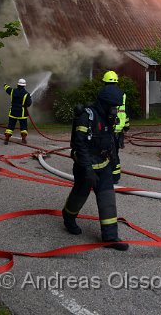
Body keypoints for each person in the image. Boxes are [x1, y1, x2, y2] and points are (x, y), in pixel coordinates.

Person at [62, 83, 129, 251]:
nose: (115, 110)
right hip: (86, 167)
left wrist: (114, 167)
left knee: (108, 199)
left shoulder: (109, 117)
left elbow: (110, 144)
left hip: (104, 165)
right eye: (113, 106)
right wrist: (88, 170)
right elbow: (80, 145)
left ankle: (110, 237)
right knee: (80, 195)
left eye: (116, 106)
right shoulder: (87, 117)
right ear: (104, 103)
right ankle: (68, 217)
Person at [100, 71, 129, 183]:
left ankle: (114, 177)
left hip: (109, 129)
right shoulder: (122, 94)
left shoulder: (104, 94)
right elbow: (124, 112)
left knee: (108, 152)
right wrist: (126, 126)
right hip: (119, 129)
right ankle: (113, 174)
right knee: (114, 152)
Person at [3, 78, 32, 145]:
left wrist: (4, 85)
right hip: (22, 113)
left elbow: (7, 89)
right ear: (24, 85)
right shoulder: (26, 94)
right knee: (23, 127)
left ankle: (6, 139)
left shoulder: (13, 91)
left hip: (13, 112)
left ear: (17, 84)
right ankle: (24, 139)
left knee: (10, 126)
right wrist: (29, 98)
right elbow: (28, 104)